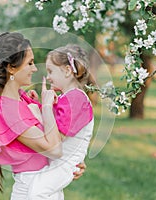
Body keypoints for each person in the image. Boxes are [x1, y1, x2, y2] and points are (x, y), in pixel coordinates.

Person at [0, 32, 85, 200]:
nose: (34, 68)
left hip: (46, 185)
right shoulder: (7, 110)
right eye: (30, 63)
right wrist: (46, 107)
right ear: (11, 67)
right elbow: (54, 149)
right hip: (32, 190)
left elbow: (53, 138)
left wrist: (69, 165)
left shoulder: (22, 99)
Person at [26, 44, 94, 199]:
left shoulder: (76, 98)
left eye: (51, 71)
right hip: (59, 161)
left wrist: (41, 110)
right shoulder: (67, 98)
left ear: (67, 71)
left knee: (37, 191)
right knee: (50, 194)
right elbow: (52, 124)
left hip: (66, 163)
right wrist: (42, 106)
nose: (48, 77)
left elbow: (56, 136)